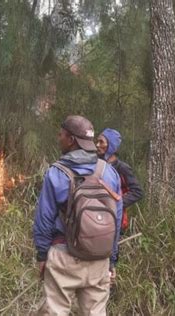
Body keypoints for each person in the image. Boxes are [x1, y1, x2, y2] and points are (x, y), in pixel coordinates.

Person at [33, 115, 122, 316]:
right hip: (99, 259)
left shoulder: (57, 172)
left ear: (71, 139)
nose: (59, 138)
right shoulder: (109, 172)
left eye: (61, 135)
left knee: (55, 312)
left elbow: (44, 218)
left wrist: (41, 254)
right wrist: (112, 260)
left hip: (64, 255)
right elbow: (116, 219)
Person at [96, 128, 143, 234]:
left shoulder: (122, 168)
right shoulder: (96, 165)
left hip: (116, 220)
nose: (97, 145)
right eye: (97, 141)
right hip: (96, 217)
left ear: (111, 146)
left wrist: (116, 203)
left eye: (101, 142)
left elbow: (137, 192)